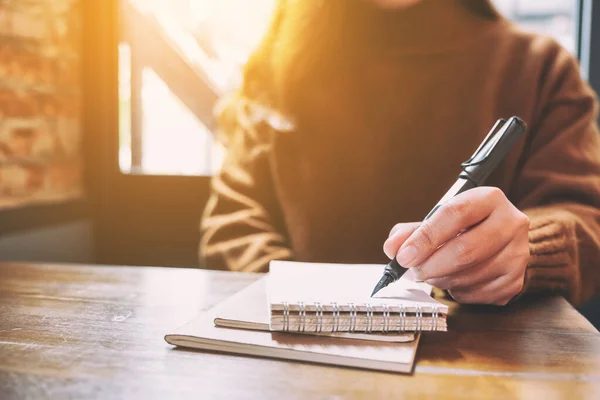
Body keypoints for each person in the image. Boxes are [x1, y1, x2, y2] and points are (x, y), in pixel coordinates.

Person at [199, 0, 600, 308]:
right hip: (291, 361)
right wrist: (302, 299)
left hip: (480, 375)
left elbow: (585, 220)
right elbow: (232, 223)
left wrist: (527, 249)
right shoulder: (278, 64)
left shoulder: (539, 68)